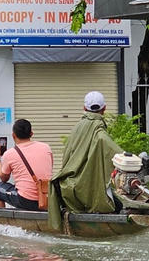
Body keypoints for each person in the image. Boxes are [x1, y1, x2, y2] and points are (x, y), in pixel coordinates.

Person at [48, 91, 120, 230]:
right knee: (120, 205)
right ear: (104, 109)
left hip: (67, 189)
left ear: (84, 108)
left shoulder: (76, 129)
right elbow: (114, 153)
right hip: (85, 192)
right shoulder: (99, 131)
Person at [0, 118, 53, 210]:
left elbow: (4, 178)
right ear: (31, 134)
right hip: (47, 198)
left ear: (13, 135)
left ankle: (0, 222)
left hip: (26, 200)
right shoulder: (46, 148)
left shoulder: (10, 153)